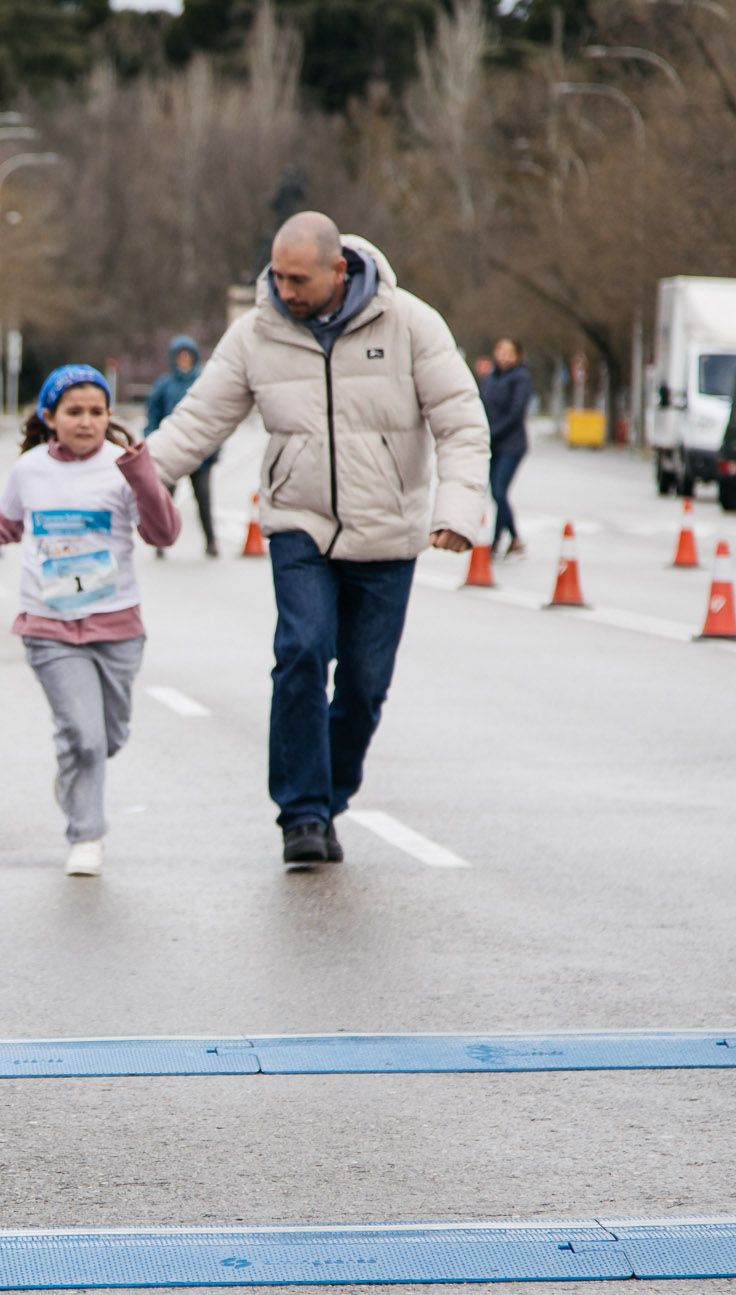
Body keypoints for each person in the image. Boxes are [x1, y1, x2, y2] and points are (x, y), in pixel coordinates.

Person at [144, 212, 488, 865]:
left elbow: (462, 423)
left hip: (387, 531)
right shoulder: (257, 332)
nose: (285, 289)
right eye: (276, 275)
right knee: (302, 650)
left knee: (363, 685)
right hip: (297, 521)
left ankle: (329, 795)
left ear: (339, 269)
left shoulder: (411, 324)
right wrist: (131, 484)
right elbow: (198, 421)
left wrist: (458, 509)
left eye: (297, 278)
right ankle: (301, 814)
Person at [0, 365, 180, 877]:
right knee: (86, 734)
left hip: (116, 626)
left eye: (97, 412)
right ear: (49, 417)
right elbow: (3, 521)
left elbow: (163, 534)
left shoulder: (124, 465)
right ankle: (86, 835)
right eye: (74, 412)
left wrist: (143, 475)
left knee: (108, 736)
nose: (86, 422)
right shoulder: (30, 469)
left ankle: (73, 773)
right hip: (49, 626)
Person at [144, 334, 217, 558]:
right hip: (171, 452)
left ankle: (211, 541)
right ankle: (160, 541)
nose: (184, 360)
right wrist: (152, 445)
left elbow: (216, 418)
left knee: (203, 500)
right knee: (164, 500)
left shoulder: (204, 383)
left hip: (199, 454)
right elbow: (153, 416)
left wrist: (214, 450)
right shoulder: (164, 385)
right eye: (180, 356)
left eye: (188, 356)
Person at [480, 337, 532, 558]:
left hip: (511, 444)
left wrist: (493, 432)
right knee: (496, 493)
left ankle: (496, 541)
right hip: (492, 444)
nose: (504, 355)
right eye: (500, 350)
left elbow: (515, 412)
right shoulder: (489, 378)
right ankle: (515, 537)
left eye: (509, 352)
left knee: (500, 491)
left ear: (517, 356)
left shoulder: (521, 378)